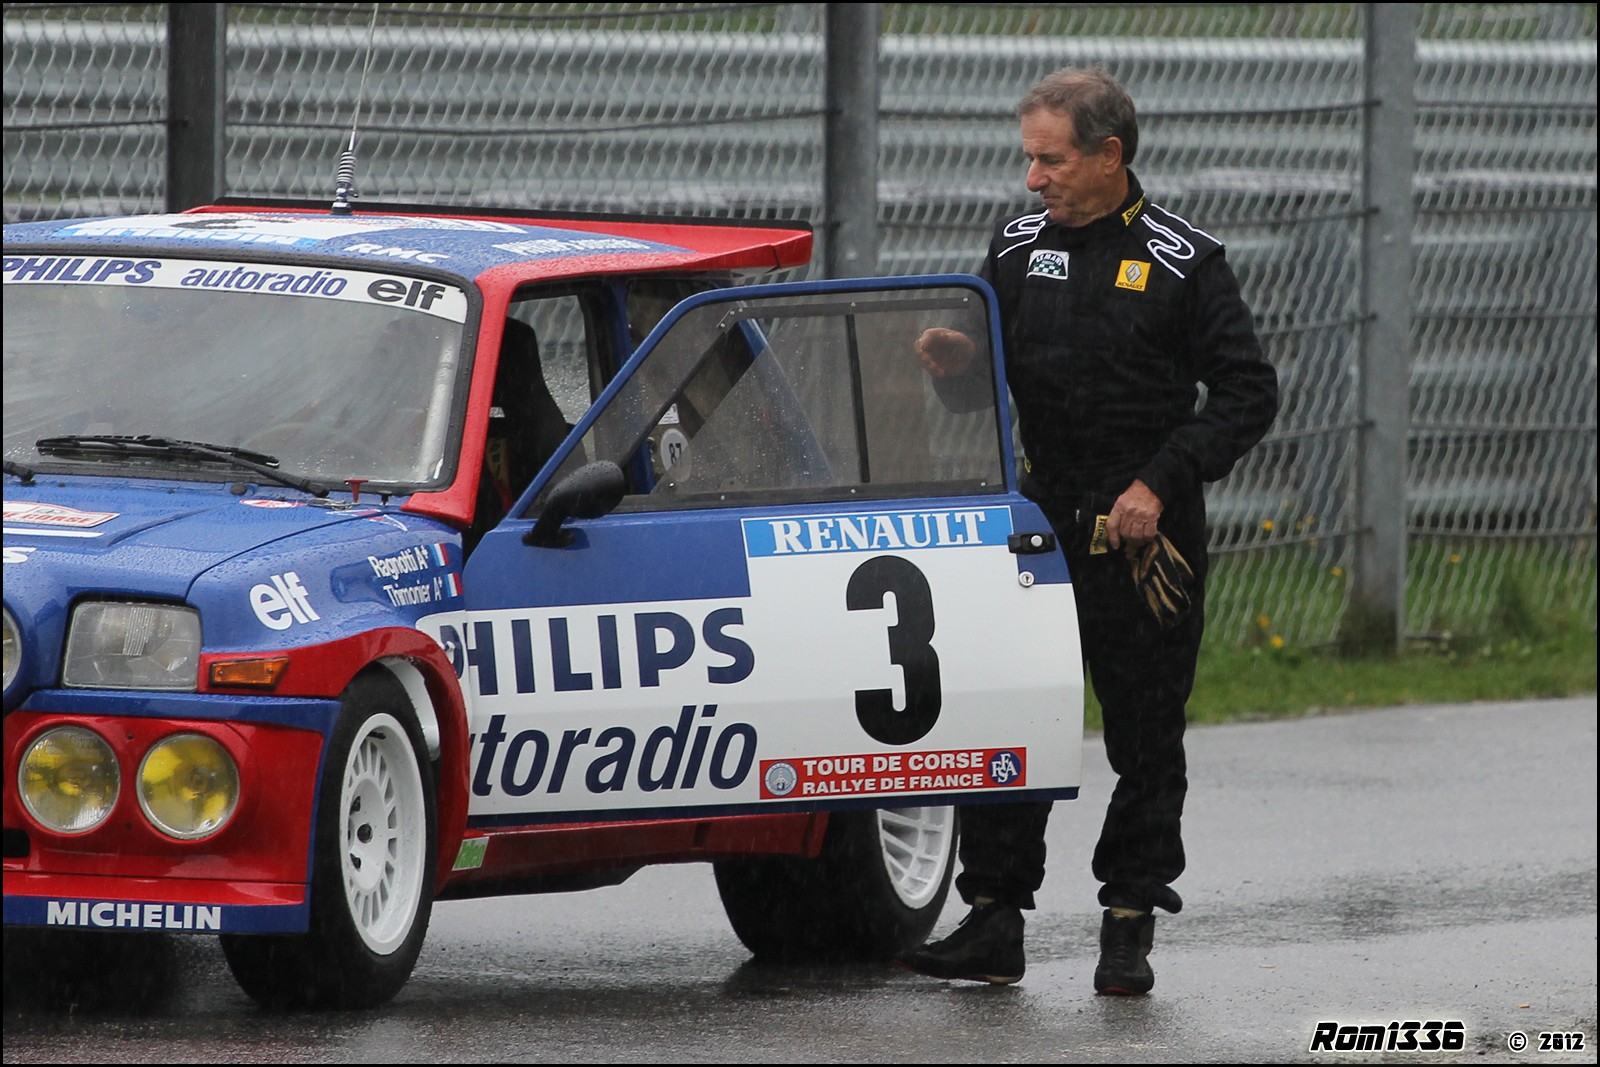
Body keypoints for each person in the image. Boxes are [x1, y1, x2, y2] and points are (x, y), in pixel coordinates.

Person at [894, 66, 1279, 994]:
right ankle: (994, 916)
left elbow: (1248, 392)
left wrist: (1160, 482)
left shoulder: (1186, 260)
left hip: (1146, 532)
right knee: (1011, 712)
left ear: (1109, 155)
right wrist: (957, 366)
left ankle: (1129, 921)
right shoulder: (1016, 246)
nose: (1033, 179)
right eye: (1029, 160)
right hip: (1039, 523)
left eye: (1052, 161)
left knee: (1144, 733)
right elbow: (984, 391)